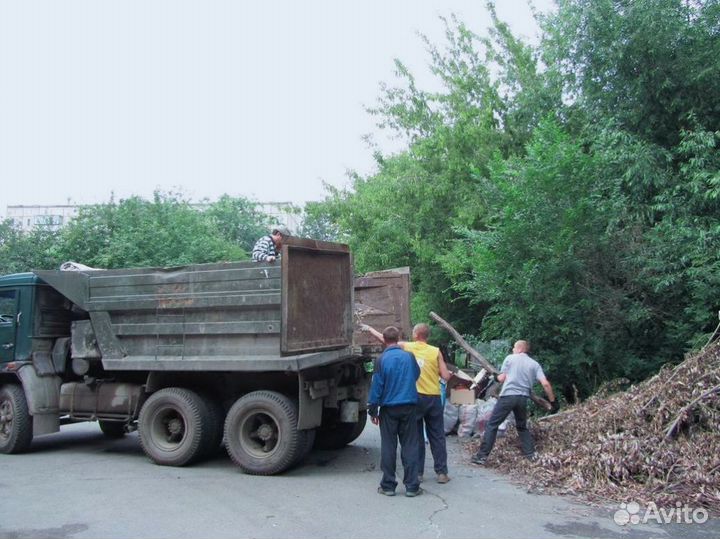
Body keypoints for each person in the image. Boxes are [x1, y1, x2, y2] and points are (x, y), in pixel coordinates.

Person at [363, 322, 452, 484]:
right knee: (437, 435)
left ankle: (418, 473)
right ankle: (441, 473)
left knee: (416, 437)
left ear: (416, 335)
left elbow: (386, 340)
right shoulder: (435, 351)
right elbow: (445, 376)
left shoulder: (408, 347)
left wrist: (370, 330)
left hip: (416, 398)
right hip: (433, 398)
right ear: (427, 336)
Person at [471, 340, 560, 465]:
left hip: (507, 397)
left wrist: (495, 376)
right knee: (522, 427)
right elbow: (545, 384)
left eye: (513, 347)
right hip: (523, 399)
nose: (512, 350)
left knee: (492, 425)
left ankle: (481, 456)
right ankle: (531, 455)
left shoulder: (510, 358)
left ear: (519, 349)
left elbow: (502, 378)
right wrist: (553, 401)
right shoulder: (534, 364)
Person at [367, 326, 423, 497]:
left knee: (388, 446)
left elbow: (377, 386)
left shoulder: (381, 360)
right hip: (409, 406)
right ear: (398, 338)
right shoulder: (409, 356)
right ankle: (412, 486)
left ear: (384, 340)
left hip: (389, 409)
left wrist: (373, 410)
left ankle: (388, 485)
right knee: (410, 446)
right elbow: (416, 374)